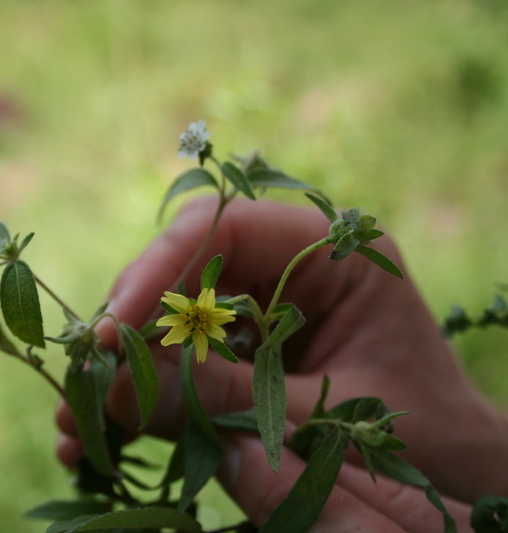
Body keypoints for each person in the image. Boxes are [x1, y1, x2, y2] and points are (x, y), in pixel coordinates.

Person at [55, 197, 508, 532]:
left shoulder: (210, 318)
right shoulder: (201, 318)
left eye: (199, 312)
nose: (196, 314)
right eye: (193, 313)